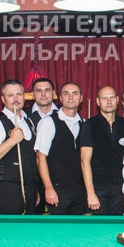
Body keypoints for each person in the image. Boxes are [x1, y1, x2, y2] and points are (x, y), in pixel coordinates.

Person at [0, 80, 39, 214]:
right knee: (10, 227)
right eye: (10, 95)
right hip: (7, 190)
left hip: (29, 188)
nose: (15, 99)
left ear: (24, 97)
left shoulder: (28, 120)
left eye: (19, 94)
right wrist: (12, 140)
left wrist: (33, 188)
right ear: (3, 99)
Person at [80, 86, 124, 214]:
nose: (109, 101)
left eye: (112, 97)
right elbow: (84, 161)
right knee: (98, 226)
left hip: (120, 191)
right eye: (104, 98)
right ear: (98, 101)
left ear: (118, 100)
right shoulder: (89, 124)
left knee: (118, 225)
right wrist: (90, 193)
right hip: (98, 191)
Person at [35, 82, 86, 215]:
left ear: (81, 98)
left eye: (75, 93)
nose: (71, 97)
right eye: (66, 93)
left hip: (80, 192)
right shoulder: (48, 122)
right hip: (57, 192)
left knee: (78, 227)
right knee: (58, 227)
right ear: (60, 98)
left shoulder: (85, 124)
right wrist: (49, 188)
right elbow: (40, 157)